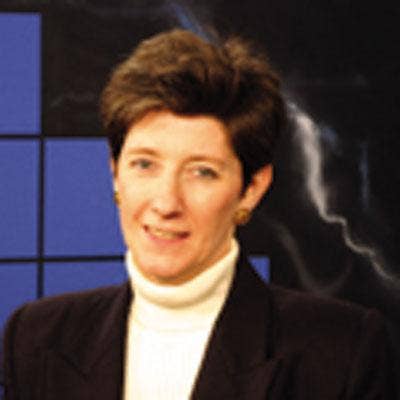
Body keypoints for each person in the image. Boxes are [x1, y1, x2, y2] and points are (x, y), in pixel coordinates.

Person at [1, 29, 396, 399]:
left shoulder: (342, 350)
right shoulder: (36, 338)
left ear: (251, 188)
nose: (166, 203)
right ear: (115, 172)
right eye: (144, 164)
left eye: (201, 172)